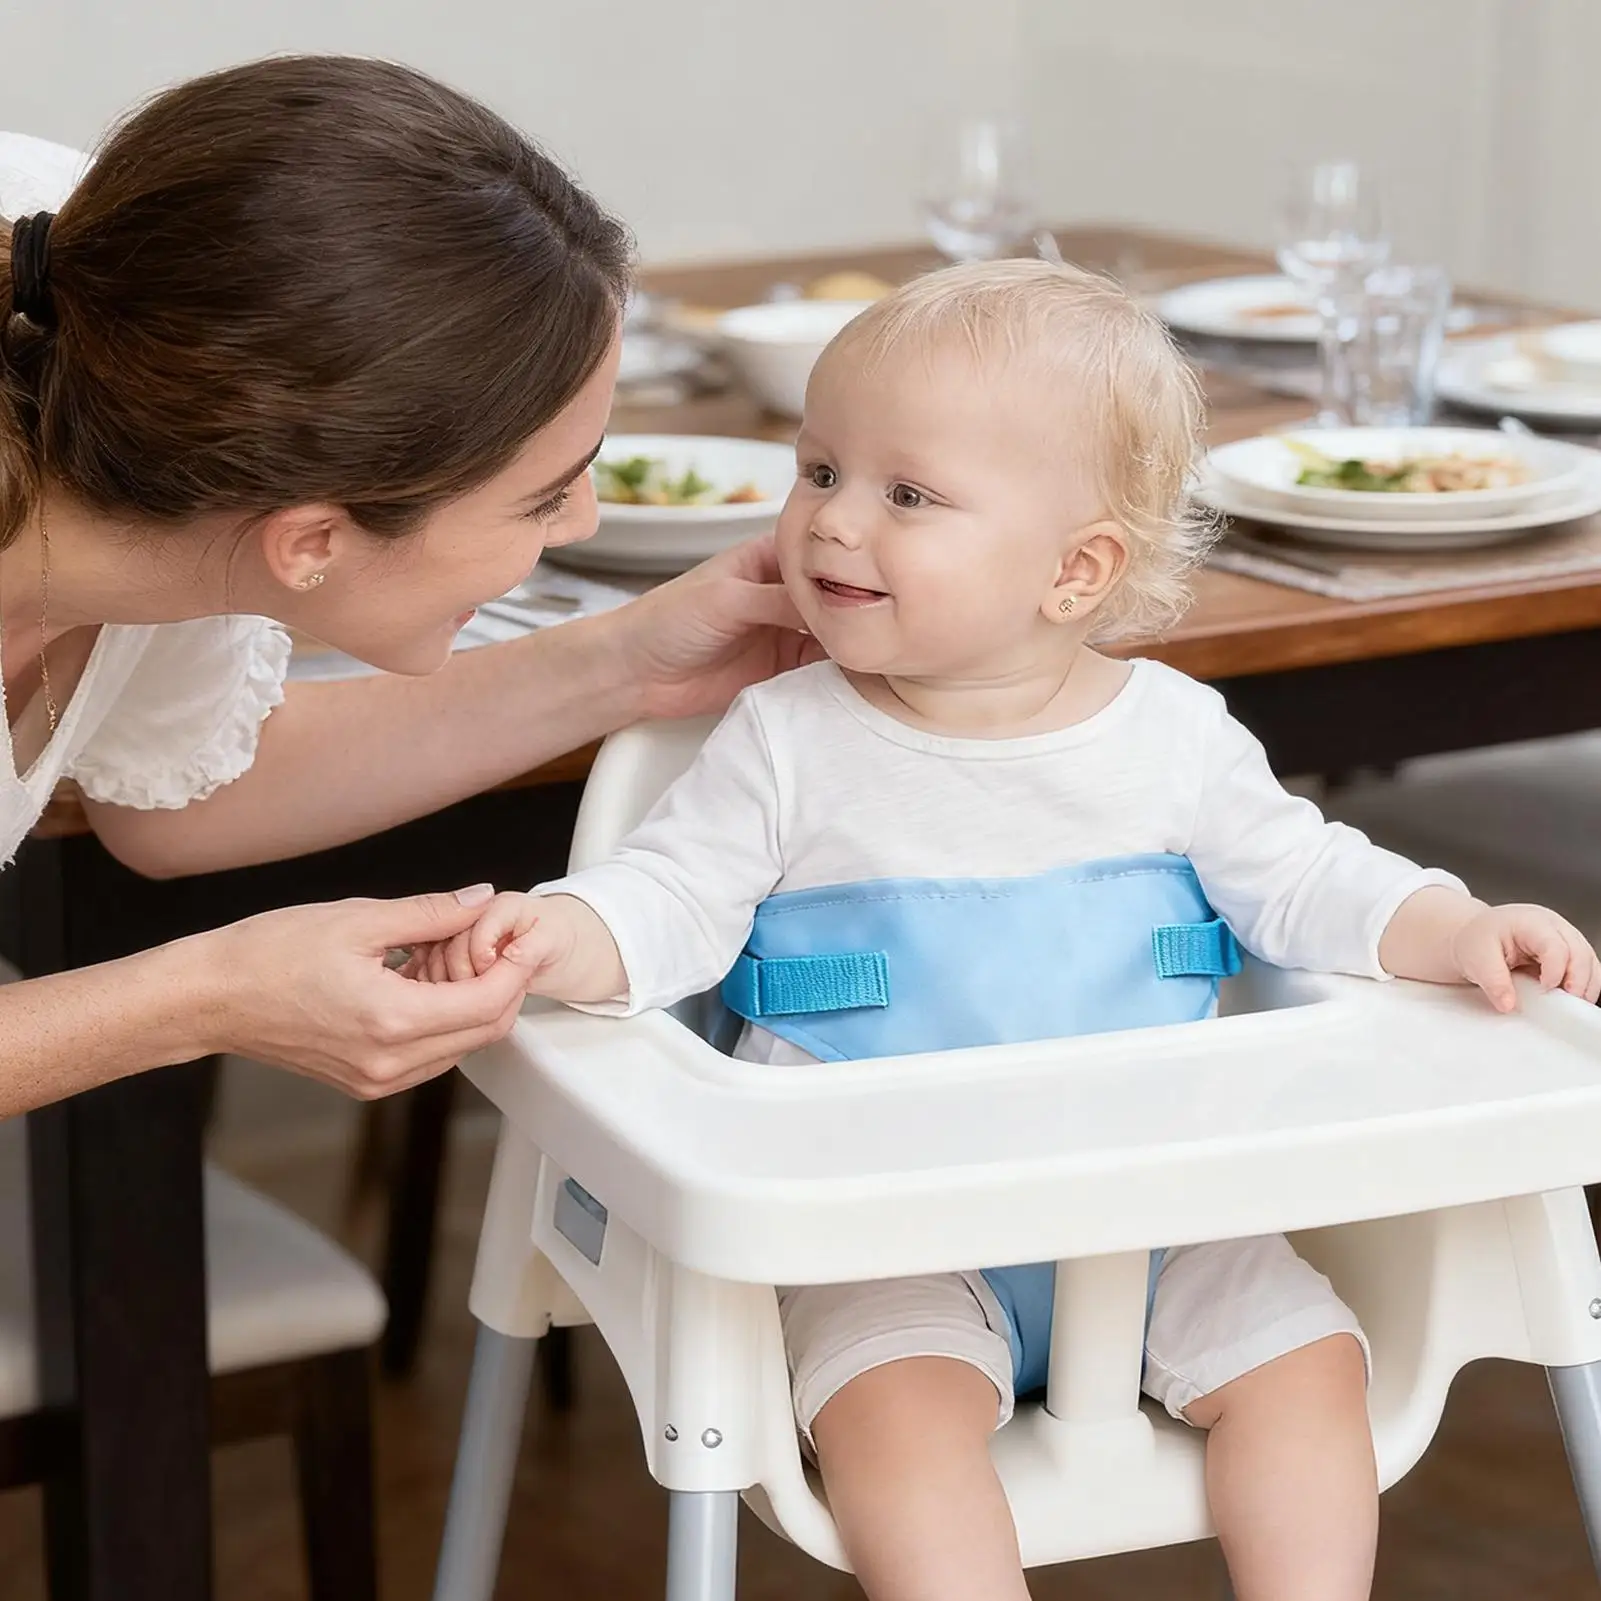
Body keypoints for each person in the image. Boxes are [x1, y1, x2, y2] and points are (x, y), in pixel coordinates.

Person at [414, 260, 1600, 1601]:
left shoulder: (1172, 736)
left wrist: (1454, 925)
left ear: (1073, 570)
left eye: (906, 495)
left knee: (1310, 1373)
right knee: (896, 1427)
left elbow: (1310, 879)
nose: (831, 520)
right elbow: (669, 899)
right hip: (880, 1229)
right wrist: (560, 933)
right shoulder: (786, 740)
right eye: (818, 470)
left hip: (1166, 1209)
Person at [0, 55, 813, 1120]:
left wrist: (628, 661)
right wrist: (205, 998)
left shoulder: (166, 344)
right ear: (311, 538)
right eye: (544, 496)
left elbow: (180, 795)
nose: (581, 521)